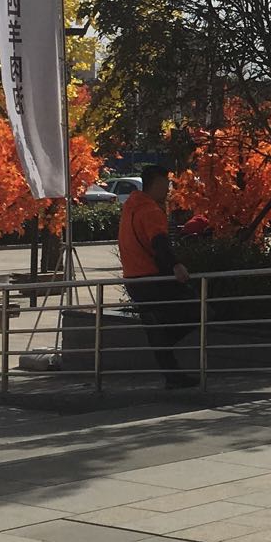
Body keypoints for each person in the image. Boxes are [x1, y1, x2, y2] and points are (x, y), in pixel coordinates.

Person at [119, 164, 197, 388]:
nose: (169, 189)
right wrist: (176, 265)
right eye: (167, 183)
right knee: (197, 310)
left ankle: (172, 374)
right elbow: (159, 242)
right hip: (152, 278)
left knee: (155, 324)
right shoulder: (150, 210)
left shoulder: (130, 207)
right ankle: (165, 345)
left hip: (133, 278)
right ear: (157, 183)